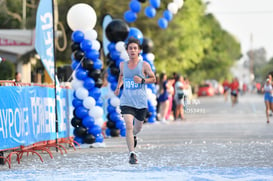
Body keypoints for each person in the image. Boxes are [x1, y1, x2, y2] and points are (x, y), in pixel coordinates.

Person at [114, 37, 156, 164]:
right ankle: (132, 153)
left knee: (137, 127)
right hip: (127, 101)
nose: (132, 50)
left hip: (140, 102)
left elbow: (153, 79)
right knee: (128, 125)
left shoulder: (144, 65)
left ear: (139, 51)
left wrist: (143, 80)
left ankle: (134, 136)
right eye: (130, 48)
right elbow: (121, 75)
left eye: (135, 48)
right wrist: (118, 87)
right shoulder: (123, 65)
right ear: (127, 51)